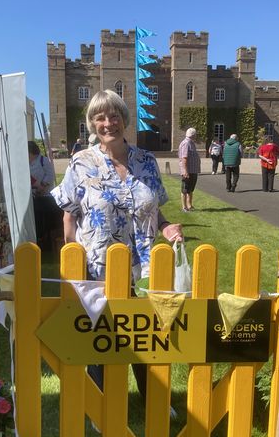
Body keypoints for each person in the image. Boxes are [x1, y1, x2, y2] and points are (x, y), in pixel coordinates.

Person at [51, 89, 183, 400]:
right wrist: (72, 256)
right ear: (91, 124)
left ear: (124, 120)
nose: (107, 123)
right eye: (100, 117)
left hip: (144, 265)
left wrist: (165, 227)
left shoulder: (146, 161)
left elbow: (153, 207)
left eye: (113, 116)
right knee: (102, 332)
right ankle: (100, 401)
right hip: (97, 266)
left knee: (145, 332)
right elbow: (69, 214)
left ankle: (153, 396)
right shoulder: (81, 162)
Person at [28, 141, 62, 250]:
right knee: (37, 221)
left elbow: (50, 175)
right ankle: (39, 241)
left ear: (31, 152)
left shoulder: (43, 160)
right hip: (34, 197)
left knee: (47, 221)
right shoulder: (25, 163)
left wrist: (42, 186)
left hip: (46, 196)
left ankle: (49, 242)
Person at [178, 127, 201, 211]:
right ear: (193, 135)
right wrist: (185, 171)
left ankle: (189, 205)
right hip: (188, 171)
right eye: (195, 135)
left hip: (193, 170)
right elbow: (184, 158)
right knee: (185, 189)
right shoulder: (186, 143)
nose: (196, 136)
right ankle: (184, 207)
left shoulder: (191, 143)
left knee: (190, 189)